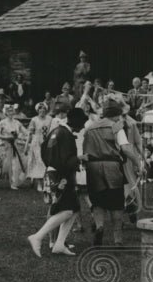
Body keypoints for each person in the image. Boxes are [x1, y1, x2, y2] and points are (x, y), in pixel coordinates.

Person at [82, 102, 141, 246]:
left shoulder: (90, 127)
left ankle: (100, 227)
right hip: (112, 166)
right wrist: (138, 164)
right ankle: (117, 239)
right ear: (116, 115)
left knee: (97, 202)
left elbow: (85, 149)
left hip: (93, 166)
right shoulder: (116, 127)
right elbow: (126, 149)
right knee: (116, 203)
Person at [28, 104, 81, 257]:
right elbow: (67, 160)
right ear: (76, 122)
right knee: (66, 210)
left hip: (52, 172)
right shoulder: (66, 135)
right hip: (60, 175)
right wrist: (79, 159)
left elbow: (44, 150)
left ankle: (59, 244)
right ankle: (38, 236)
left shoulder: (56, 131)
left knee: (74, 208)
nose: (83, 126)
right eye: (82, 123)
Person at [0, 103, 29, 190]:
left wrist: (27, 135)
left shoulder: (17, 123)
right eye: (9, 111)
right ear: (5, 113)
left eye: (12, 111)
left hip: (15, 145)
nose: (11, 113)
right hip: (5, 145)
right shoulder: (2, 123)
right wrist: (6, 137)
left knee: (16, 163)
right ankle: (10, 180)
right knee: (2, 163)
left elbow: (25, 132)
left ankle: (14, 183)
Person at [26, 101, 53, 197]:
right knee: (39, 162)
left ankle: (46, 183)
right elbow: (30, 133)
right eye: (40, 109)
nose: (42, 111)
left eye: (44, 109)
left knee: (47, 163)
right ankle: (39, 184)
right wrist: (27, 145)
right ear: (37, 110)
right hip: (37, 142)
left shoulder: (50, 119)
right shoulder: (34, 120)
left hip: (47, 142)